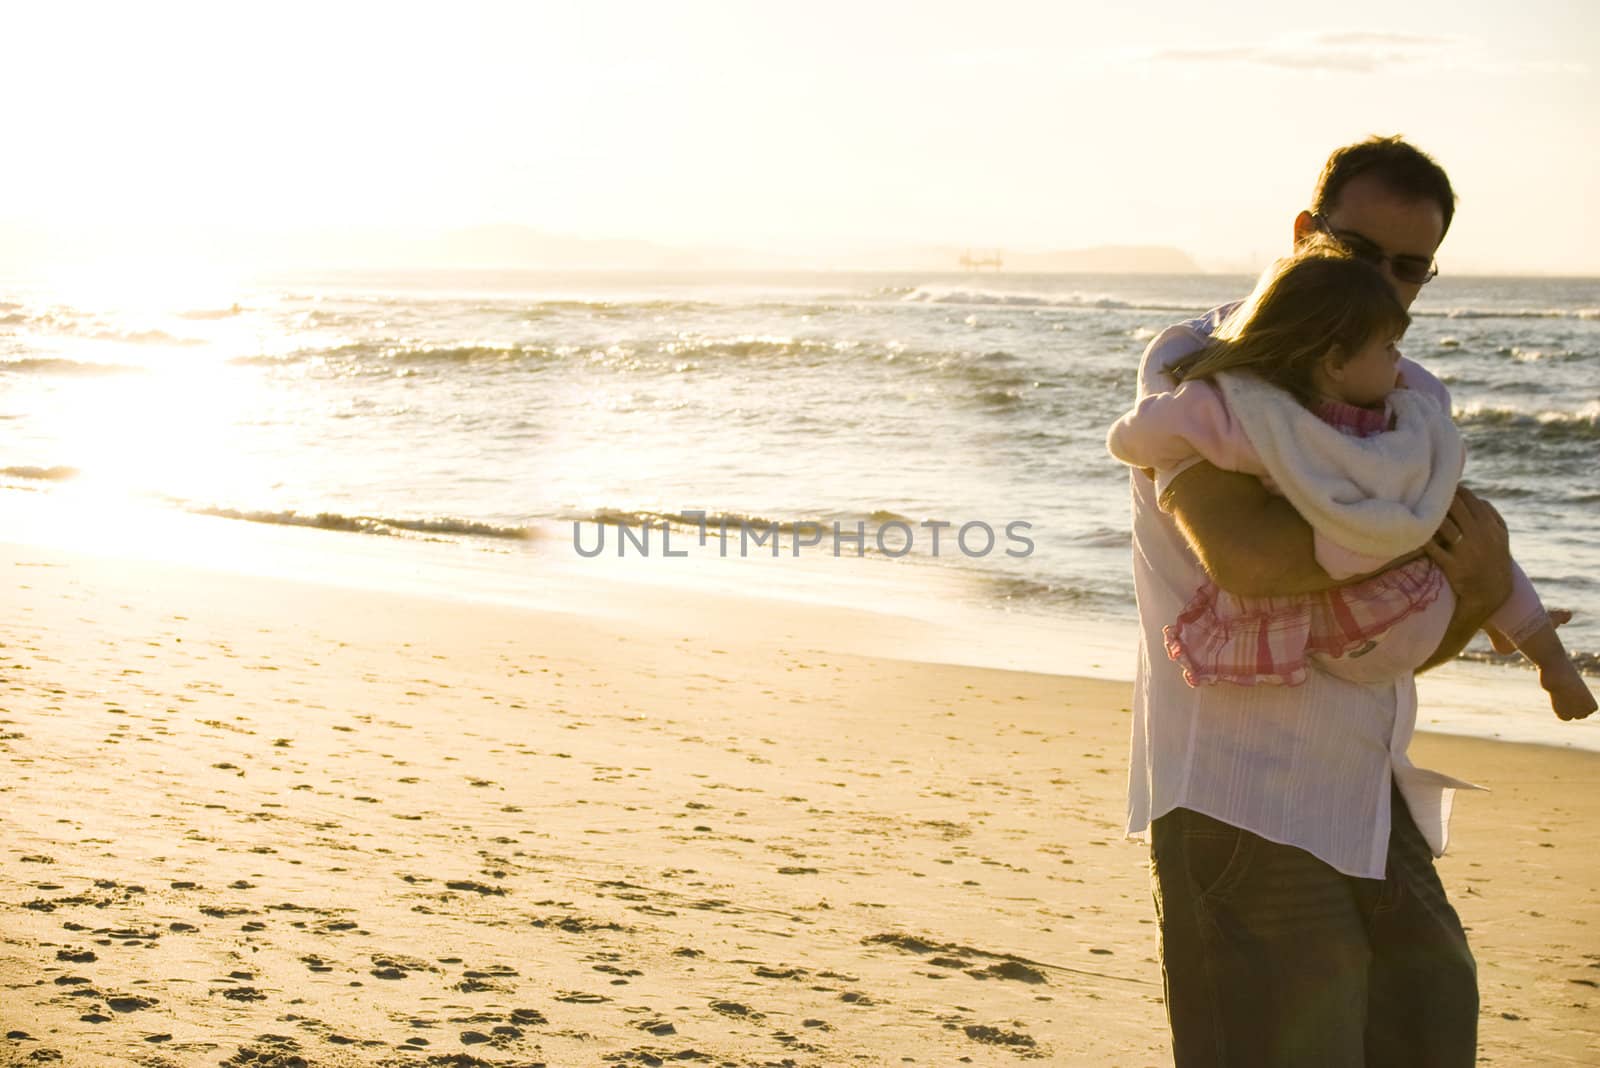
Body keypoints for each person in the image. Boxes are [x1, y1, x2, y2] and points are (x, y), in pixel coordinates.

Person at [1117, 135, 1585, 1066]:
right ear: (1304, 233)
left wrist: (1480, 595)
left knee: (1433, 1016)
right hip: (1239, 800)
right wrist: (1467, 575)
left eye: (1409, 269)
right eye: (1358, 252)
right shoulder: (1207, 370)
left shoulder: (1405, 396)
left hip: (1369, 793)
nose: (1385, 282)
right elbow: (1249, 561)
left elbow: (1399, 625)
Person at [1106, 241, 1595, 720]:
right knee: (1470, 530)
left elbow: (1161, 427)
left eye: (1409, 264)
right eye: (1388, 349)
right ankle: (1540, 648)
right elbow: (1157, 437)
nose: (1399, 364)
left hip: (1378, 630)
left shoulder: (1330, 416)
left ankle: (1536, 648)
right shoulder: (1263, 417)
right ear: (1336, 361)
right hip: (1365, 630)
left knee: (1477, 528)